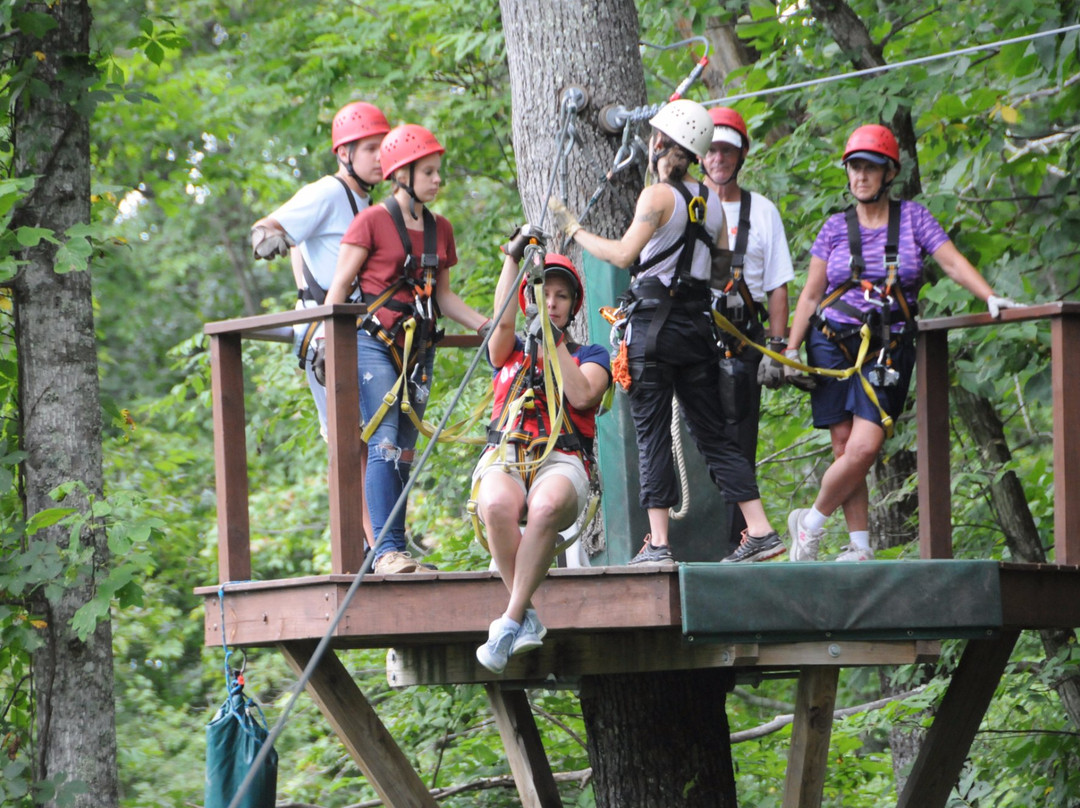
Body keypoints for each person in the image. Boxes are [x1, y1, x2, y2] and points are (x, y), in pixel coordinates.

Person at [547, 98, 784, 565]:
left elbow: (620, 254)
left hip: (652, 331)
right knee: (713, 434)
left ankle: (658, 544)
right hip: (696, 331)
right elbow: (719, 276)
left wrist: (574, 231)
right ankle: (760, 529)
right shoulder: (712, 202)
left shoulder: (657, 196)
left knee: (652, 433)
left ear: (658, 142)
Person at [784, 124, 1020, 562]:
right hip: (831, 342)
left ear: (889, 173)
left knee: (864, 446)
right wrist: (791, 351)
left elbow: (950, 262)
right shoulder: (834, 228)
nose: (861, 177)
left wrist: (988, 295)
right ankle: (859, 547)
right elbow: (811, 294)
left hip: (886, 346)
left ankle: (810, 523)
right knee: (842, 446)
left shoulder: (915, 219)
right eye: (855, 168)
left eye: (870, 168)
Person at [324, 123, 490, 574]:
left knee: (406, 448)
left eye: (439, 172)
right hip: (372, 344)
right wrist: (325, 344)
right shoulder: (372, 222)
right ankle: (385, 552)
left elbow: (444, 297)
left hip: (418, 351)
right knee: (383, 443)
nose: (438, 180)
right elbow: (339, 288)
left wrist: (485, 325)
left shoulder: (441, 229)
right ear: (403, 174)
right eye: (429, 173)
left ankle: (396, 548)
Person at [250, 100, 389, 549]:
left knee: (379, 439)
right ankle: (370, 544)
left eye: (383, 147)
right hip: (329, 336)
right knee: (352, 443)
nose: (379, 157)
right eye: (369, 148)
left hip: (363, 332)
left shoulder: (368, 203)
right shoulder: (328, 193)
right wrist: (267, 239)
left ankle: (381, 540)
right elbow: (270, 226)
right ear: (343, 154)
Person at [472, 245, 611, 674]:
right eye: (544, 294)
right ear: (530, 297)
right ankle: (524, 616)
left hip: (562, 460)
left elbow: (583, 394)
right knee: (494, 504)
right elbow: (499, 328)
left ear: (572, 307)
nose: (551, 303)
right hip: (508, 454)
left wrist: (551, 341)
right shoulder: (509, 350)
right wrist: (512, 261)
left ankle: (510, 619)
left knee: (546, 507)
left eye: (561, 296)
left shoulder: (590, 355)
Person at [701, 106, 795, 555]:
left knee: (738, 438)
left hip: (744, 340)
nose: (719, 157)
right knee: (697, 439)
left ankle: (739, 540)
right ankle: (696, 540)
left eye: (727, 150)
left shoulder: (763, 212)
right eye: (712, 149)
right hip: (694, 336)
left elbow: (778, 285)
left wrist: (777, 350)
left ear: (741, 156)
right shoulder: (685, 205)